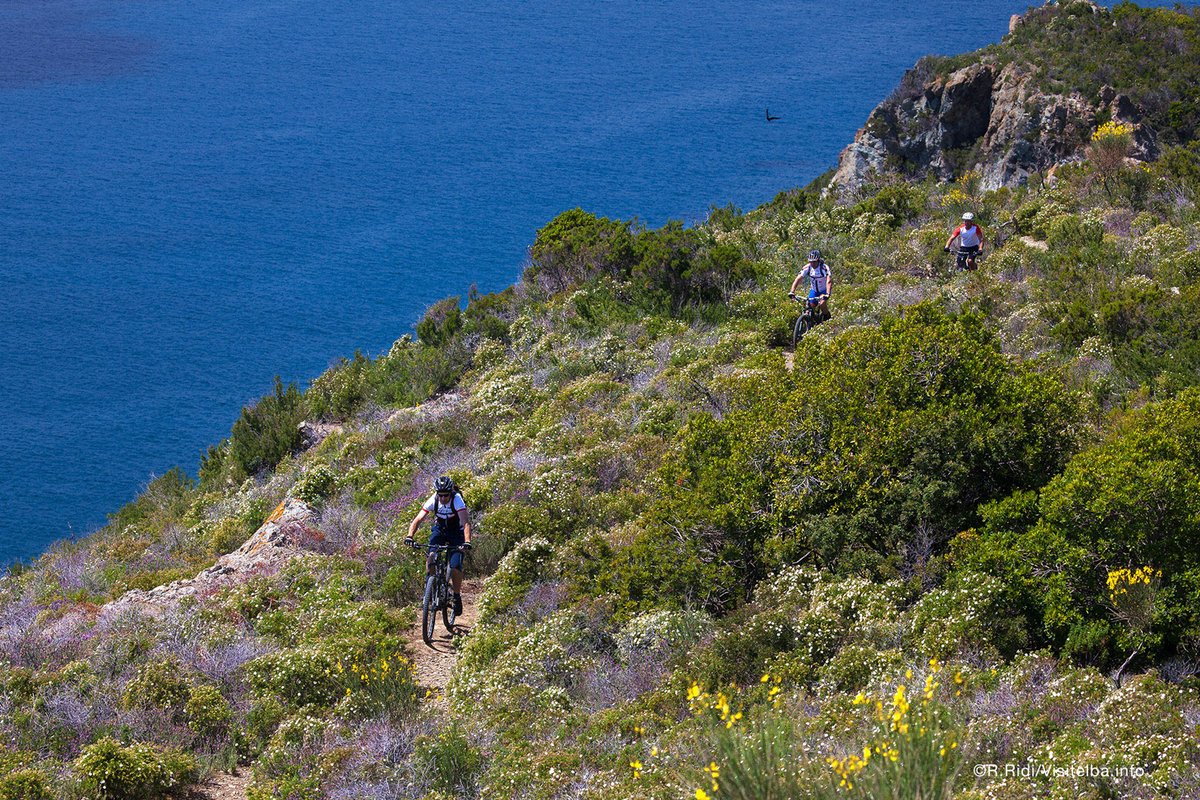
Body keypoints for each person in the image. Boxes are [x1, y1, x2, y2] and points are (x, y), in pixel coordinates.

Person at [405, 476, 472, 615]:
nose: (442, 498)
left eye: (445, 495)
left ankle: (456, 596)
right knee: (431, 558)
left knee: (455, 565)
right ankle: (431, 589)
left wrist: (467, 541)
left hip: (456, 532)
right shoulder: (433, 500)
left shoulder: (457, 500)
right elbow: (418, 519)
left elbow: (465, 522)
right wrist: (410, 536)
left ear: (450, 492)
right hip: (440, 530)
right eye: (440, 495)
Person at [788, 249, 831, 320]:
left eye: (814, 262)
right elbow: (798, 279)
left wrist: (827, 294)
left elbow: (829, 281)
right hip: (814, 290)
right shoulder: (807, 267)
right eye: (810, 262)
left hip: (824, 290)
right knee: (809, 306)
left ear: (818, 260)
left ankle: (827, 317)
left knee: (822, 303)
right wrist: (792, 291)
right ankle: (810, 321)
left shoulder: (824, 268)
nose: (812, 264)